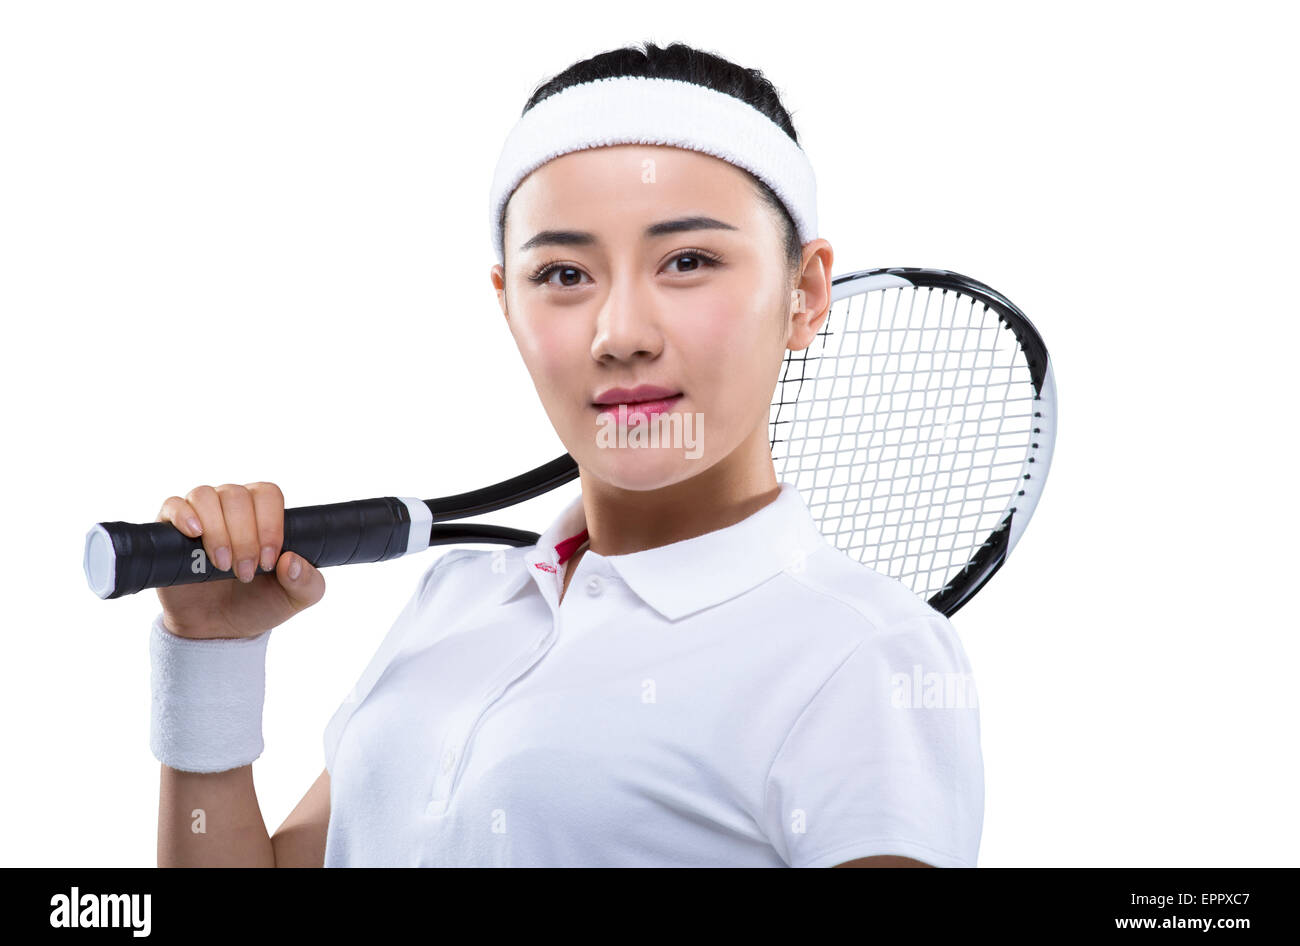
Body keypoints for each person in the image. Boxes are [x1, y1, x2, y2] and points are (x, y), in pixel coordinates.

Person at [148, 40, 984, 868]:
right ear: (507, 302)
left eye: (687, 261)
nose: (620, 334)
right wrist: (210, 656)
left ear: (803, 295)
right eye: (563, 273)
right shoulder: (459, 598)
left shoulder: (864, 655)